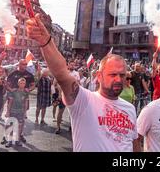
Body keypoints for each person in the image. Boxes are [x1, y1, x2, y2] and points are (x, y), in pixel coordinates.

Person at [26, 14, 139, 152]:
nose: (118, 79)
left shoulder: (130, 109)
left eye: (122, 75)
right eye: (112, 74)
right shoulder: (84, 100)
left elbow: (134, 144)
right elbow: (61, 73)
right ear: (99, 76)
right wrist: (45, 42)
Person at [5, 78, 29, 147]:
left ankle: (17, 140)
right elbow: (10, 102)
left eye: (23, 83)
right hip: (13, 111)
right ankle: (9, 141)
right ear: (18, 84)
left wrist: (25, 113)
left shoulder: (26, 92)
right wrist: (8, 112)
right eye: (21, 83)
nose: (22, 85)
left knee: (20, 126)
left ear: (25, 84)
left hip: (21, 112)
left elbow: (26, 103)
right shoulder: (14, 91)